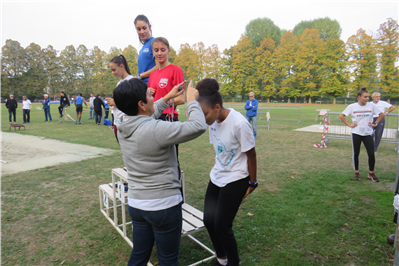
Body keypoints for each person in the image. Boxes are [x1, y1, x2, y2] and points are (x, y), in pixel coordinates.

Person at [113, 78, 207, 266]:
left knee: (139, 255)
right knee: (167, 260)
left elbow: (146, 115)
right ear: (141, 104)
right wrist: (192, 101)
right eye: (149, 95)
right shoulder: (155, 129)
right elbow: (198, 126)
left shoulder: (122, 123)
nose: (152, 97)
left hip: (137, 204)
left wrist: (167, 97)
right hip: (163, 205)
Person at [196, 78, 258, 266]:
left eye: (205, 113)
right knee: (208, 220)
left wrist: (253, 183)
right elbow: (221, 151)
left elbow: (252, 156)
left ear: (217, 107)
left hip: (237, 178)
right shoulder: (212, 122)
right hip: (218, 176)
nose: (203, 118)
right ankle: (222, 259)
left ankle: (233, 263)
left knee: (222, 226)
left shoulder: (239, 123)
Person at [339, 87, 385, 182]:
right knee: (356, 153)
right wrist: (349, 125)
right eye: (365, 97)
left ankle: (371, 173)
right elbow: (341, 116)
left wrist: (375, 123)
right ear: (359, 97)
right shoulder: (352, 106)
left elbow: (381, 114)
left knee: (371, 154)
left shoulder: (372, 106)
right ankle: (356, 172)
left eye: (368, 97)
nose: (367, 98)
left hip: (368, 133)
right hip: (356, 133)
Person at [148, 37, 185, 121]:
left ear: (168, 51)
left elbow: (181, 99)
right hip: (153, 117)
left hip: (168, 118)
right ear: (153, 52)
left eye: (163, 50)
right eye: (156, 50)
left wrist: (158, 103)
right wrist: (147, 93)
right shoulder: (152, 75)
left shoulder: (176, 70)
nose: (159, 53)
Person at [106, 55, 134, 139]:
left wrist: (115, 102)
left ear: (121, 66)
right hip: (117, 122)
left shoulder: (132, 81)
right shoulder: (119, 83)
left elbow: (133, 103)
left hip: (126, 122)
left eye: (114, 70)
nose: (113, 73)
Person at [134, 14, 158, 84]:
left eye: (144, 28)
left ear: (149, 27)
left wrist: (139, 76)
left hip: (152, 86)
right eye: (139, 29)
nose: (142, 32)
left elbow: (159, 66)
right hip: (143, 87)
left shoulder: (154, 43)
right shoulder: (142, 48)